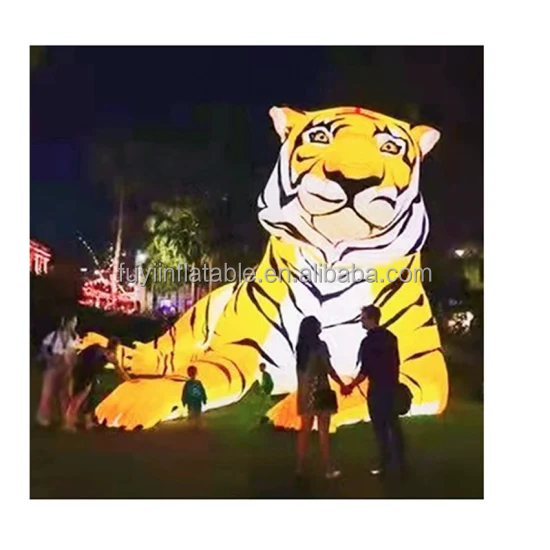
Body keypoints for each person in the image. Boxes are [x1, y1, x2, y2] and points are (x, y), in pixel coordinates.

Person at [342, 305, 406, 476]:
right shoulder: (391, 337)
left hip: (377, 389)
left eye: (363, 318)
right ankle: (401, 463)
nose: (361, 321)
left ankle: (384, 463)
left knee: (380, 428)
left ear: (371, 319)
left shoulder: (368, 342)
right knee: (394, 425)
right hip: (391, 387)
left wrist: (350, 386)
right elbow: (396, 363)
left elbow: (365, 371)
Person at [295, 316, 345, 480]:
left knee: (305, 431)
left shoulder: (300, 348)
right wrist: (343, 384)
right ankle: (328, 468)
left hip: (305, 393)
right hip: (321, 391)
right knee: (323, 432)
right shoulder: (320, 346)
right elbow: (329, 369)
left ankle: (300, 468)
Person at [64, 337, 124, 431]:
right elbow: (118, 369)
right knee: (78, 399)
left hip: (78, 372)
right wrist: (127, 379)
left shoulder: (96, 347)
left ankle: (86, 422)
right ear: (116, 347)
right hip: (85, 375)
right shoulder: (110, 354)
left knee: (85, 398)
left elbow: (81, 356)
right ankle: (68, 423)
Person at [36, 316, 80, 427]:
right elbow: (44, 347)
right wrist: (49, 358)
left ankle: (66, 419)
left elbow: (74, 352)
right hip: (54, 363)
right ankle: (44, 418)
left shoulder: (75, 337)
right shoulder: (54, 335)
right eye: (72, 322)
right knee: (48, 392)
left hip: (67, 365)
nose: (73, 324)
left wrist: (72, 364)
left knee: (66, 394)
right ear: (65, 322)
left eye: (75, 322)